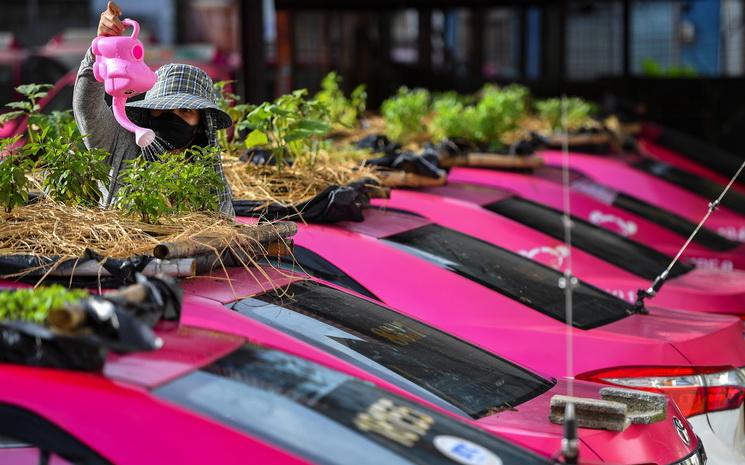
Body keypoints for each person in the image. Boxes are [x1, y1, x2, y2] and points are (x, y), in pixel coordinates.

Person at [73, 1, 235, 216]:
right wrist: (101, 50)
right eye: (162, 110)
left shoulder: (208, 180)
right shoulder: (122, 145)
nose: (172, 118)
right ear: (148, 113)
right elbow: (87, 109)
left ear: (201, 125)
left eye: (185, 111)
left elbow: (222, 229)